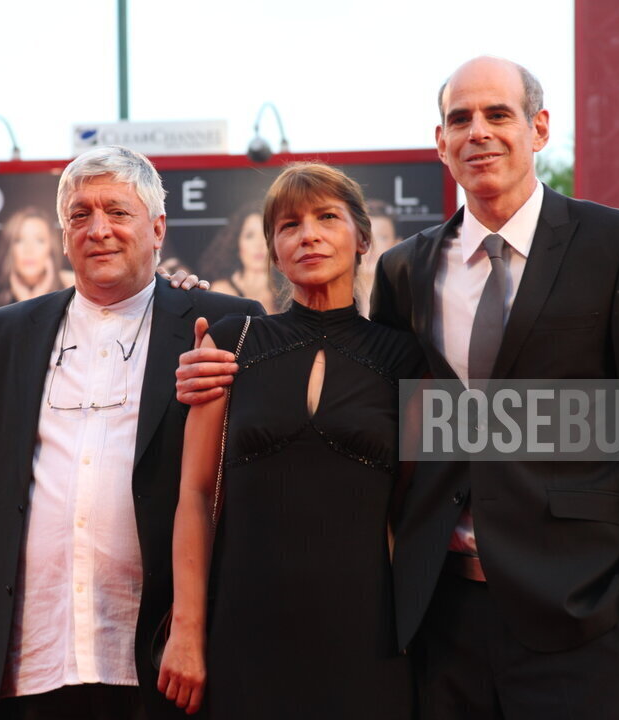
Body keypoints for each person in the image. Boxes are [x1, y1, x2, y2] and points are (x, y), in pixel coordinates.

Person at [176, 56, 619, 719]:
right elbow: (375, 415)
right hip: (441, 627)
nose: (478, 132)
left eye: (498, 114)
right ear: (441, 143)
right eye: (460, 118)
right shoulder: (408, 270)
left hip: (585, 621)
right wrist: (189, 319)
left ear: (539, 128)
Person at [0, 145, 262, 720]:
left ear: (158, 227)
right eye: (80, 216)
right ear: (64, 234)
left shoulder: (220, 323)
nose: (99, 230)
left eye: (118, 212)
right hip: (31, 662)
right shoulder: (5, 334)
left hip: (161, 660)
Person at [158, 163, 423, 718]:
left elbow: (417, 506)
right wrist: (186, 631)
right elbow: (195, 495)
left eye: (328, 217)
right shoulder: (232, 342)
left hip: (367, 642)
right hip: (240, 637)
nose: (308, 234)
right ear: (273, 250)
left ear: (363, 239)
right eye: (288, 225)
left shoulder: (406, 359)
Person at [0, 206, 74, 315]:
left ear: (51, 247)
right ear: (10, 248)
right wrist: (26, 303)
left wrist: (36, 300)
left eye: (39, 240)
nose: (29, 250)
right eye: (19, 240)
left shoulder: (70, 284)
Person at [202, 202, 280, 313]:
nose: (259, 244)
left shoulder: (288, 293)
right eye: (250, 236)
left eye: (267, 234)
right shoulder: (222, 291)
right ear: (236, 245)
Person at [354, 199, 401, 317]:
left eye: (382, 238)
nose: (372, 245)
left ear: (397, 244)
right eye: (364, 236)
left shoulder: (408, 302)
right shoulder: (335, 301)